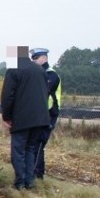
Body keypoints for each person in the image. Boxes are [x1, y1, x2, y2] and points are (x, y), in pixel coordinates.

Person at [0, 46, 50, 190]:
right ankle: (30, 182)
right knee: (30, 149)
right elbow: (46, 94)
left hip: (21, 119)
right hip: (40, 119)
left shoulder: (13, 70)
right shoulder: (40, 70)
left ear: (13, 58)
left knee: (18, 151)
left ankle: (20, 183)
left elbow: (7, 96)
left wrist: (6, 117)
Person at [29, 48, 62, 180]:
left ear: (45, 58)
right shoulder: (37, 73)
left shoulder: (52, 75)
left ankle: (38, 174)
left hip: (48, 114)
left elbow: (44, 92)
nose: (34, 61)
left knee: (39, 143)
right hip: (38, 114)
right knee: (34, 143)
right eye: (33, 59)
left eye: (36, 58)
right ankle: (35, 172)